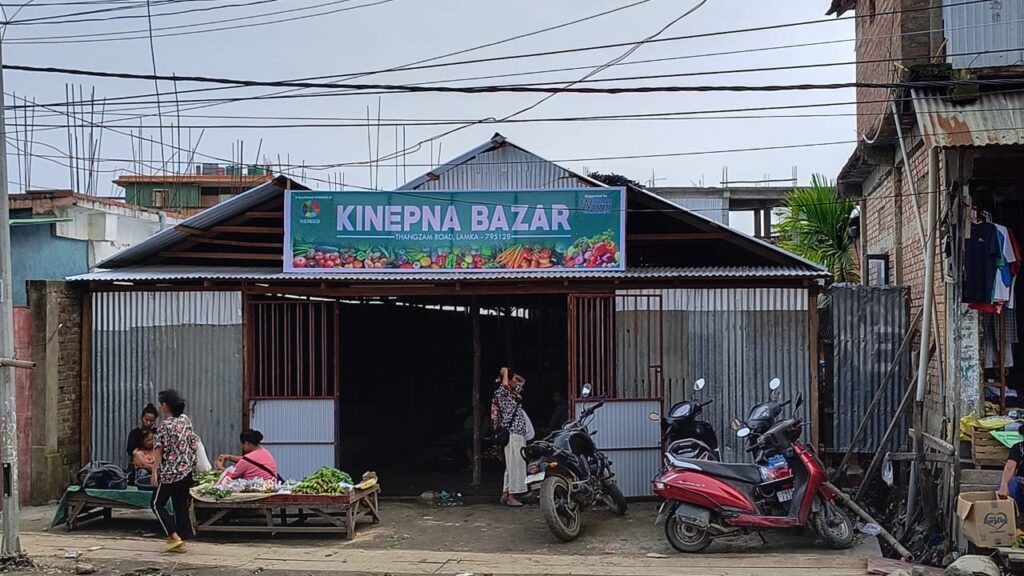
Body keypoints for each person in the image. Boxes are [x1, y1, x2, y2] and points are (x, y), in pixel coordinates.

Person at [151, 389, 198, 553]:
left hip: (170, 473)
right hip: (186, 471)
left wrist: (154, 471)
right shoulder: (185, 420)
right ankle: (183, 541)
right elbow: (193, 443)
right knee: (180, 506)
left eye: (161, 403)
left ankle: (173, 536)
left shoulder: (165, 425)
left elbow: (158, 450)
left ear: (165, 405)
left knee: (157, 504)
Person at [491, 367, 527, 507]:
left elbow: (523, 381)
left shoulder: (513, 393)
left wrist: (512, 374)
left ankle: (505, 493)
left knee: (511, 465)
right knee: (516, 465)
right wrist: (505, 372)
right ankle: (512, 495)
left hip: (517, 433)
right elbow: (505, 385)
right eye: (512, 380)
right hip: (513, 433)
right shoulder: (501, 393)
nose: (515, 382)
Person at [215, 429, 281, 482]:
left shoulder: (247, 459)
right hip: (272, 484)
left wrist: (220, 467)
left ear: (246, 443)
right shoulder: (265, 452)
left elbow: (232, 476)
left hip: (259, 488)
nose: (242, 447)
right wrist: (229, 457)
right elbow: (248, 460)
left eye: (242, 444)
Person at [997, 441, 1024, 513]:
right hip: (1020, 495)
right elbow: (1010, 467)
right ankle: (1008, 515)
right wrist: (1004, 485)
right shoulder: (1019, 447)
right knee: (1009, 482)